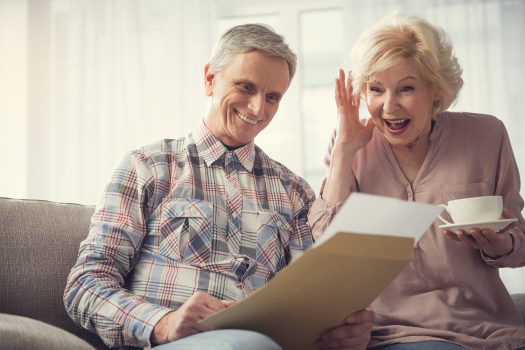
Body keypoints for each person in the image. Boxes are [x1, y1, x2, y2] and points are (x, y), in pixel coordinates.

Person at [64, 23, 373, 350]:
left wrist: (340, 331)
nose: (257, 109)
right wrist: (163, 323)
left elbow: (314, 302)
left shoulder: (293, 190)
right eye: (245, 87)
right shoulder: (147, 167)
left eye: (272, 97)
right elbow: (85, 285)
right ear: (210, 79)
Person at [308, 12, 525, 350]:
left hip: (487, 329)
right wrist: (344, 153)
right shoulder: (351, 144)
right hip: (388, 333)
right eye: (376, 89)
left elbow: (519, 244)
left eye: (406, 88)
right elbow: (324, 243)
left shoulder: (487, 136)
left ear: (436, 90)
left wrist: (500, 246)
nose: (389, 106)